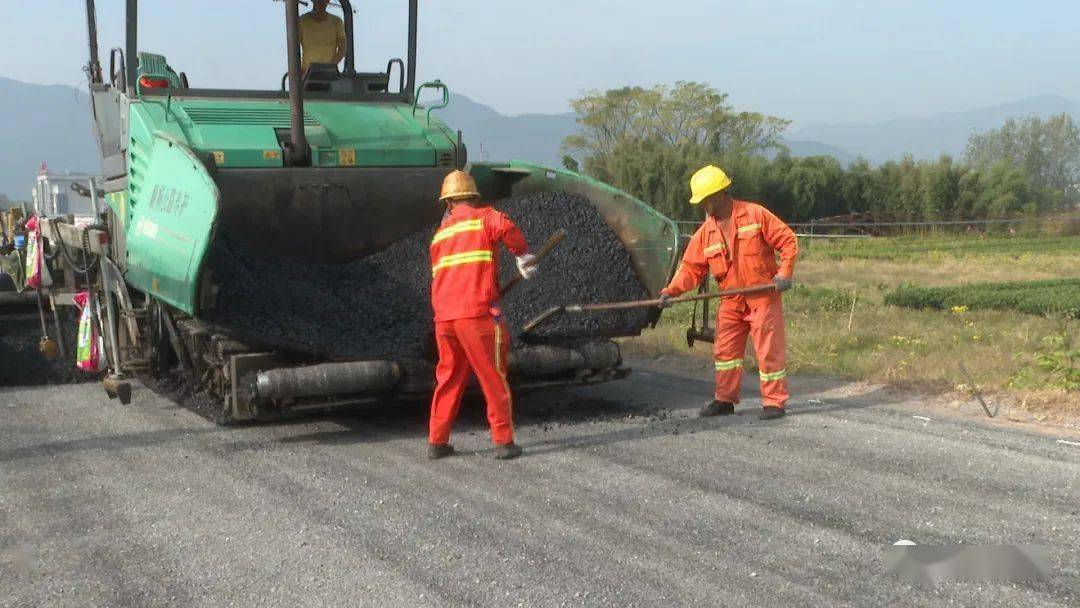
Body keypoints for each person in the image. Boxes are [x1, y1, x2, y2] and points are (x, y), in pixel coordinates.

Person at [659, 165, 798, 420]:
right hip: (731, 300)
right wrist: (672, 291)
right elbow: (691, 268)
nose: (702, 205)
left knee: (768, 352)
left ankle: (774, 403)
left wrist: (785, 273)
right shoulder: (706, 233)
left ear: (720, 194)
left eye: (704, 199)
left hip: (762, 297)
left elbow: (788, 240)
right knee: (725, 353)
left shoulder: (755, 215)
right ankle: (725, 400)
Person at [427, 170, 538, 460]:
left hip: (444, 319)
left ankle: (437, 442)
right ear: (473, 198)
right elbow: (507, 228)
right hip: (477, 315)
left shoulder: (440, 235)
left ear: (448, 203)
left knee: (448, 379)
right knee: (493, 377)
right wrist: (523, 256)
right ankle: (503, 442)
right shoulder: (484, 218)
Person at [298, 0, 347, 71]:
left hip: (329, 73)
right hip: (306, 73)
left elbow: (342, 49)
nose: (321, 2)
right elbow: (294, 49)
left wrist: (328, 68)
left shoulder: (337, 22)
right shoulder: (301, 21)